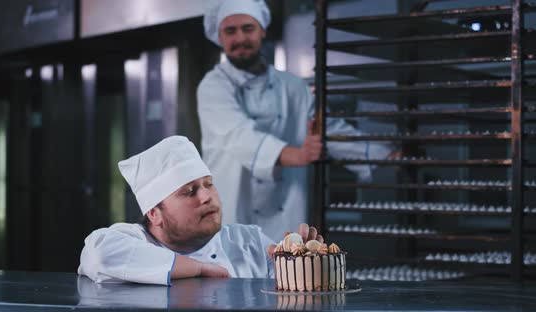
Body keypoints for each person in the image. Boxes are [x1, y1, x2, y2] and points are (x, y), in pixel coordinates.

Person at [197, 0, 396, 239]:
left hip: (286, 218)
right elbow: (240, 137)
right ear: (219, 37)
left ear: (262, 30)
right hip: (234, 219)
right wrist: (299, 154)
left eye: (248, 28)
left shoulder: (294, 87)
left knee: (289, 273)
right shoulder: (213, 86)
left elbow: (327, 132)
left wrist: (383, 154)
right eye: (230, 31)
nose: (240, 38)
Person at [78, 136, 323, 285]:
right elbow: (98, 254)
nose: (207, 197)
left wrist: (303, 266)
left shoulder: (249, 242)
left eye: (208, 184)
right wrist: (198, 268)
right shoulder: (136, 240)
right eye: (189, 191)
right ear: (154, 214)